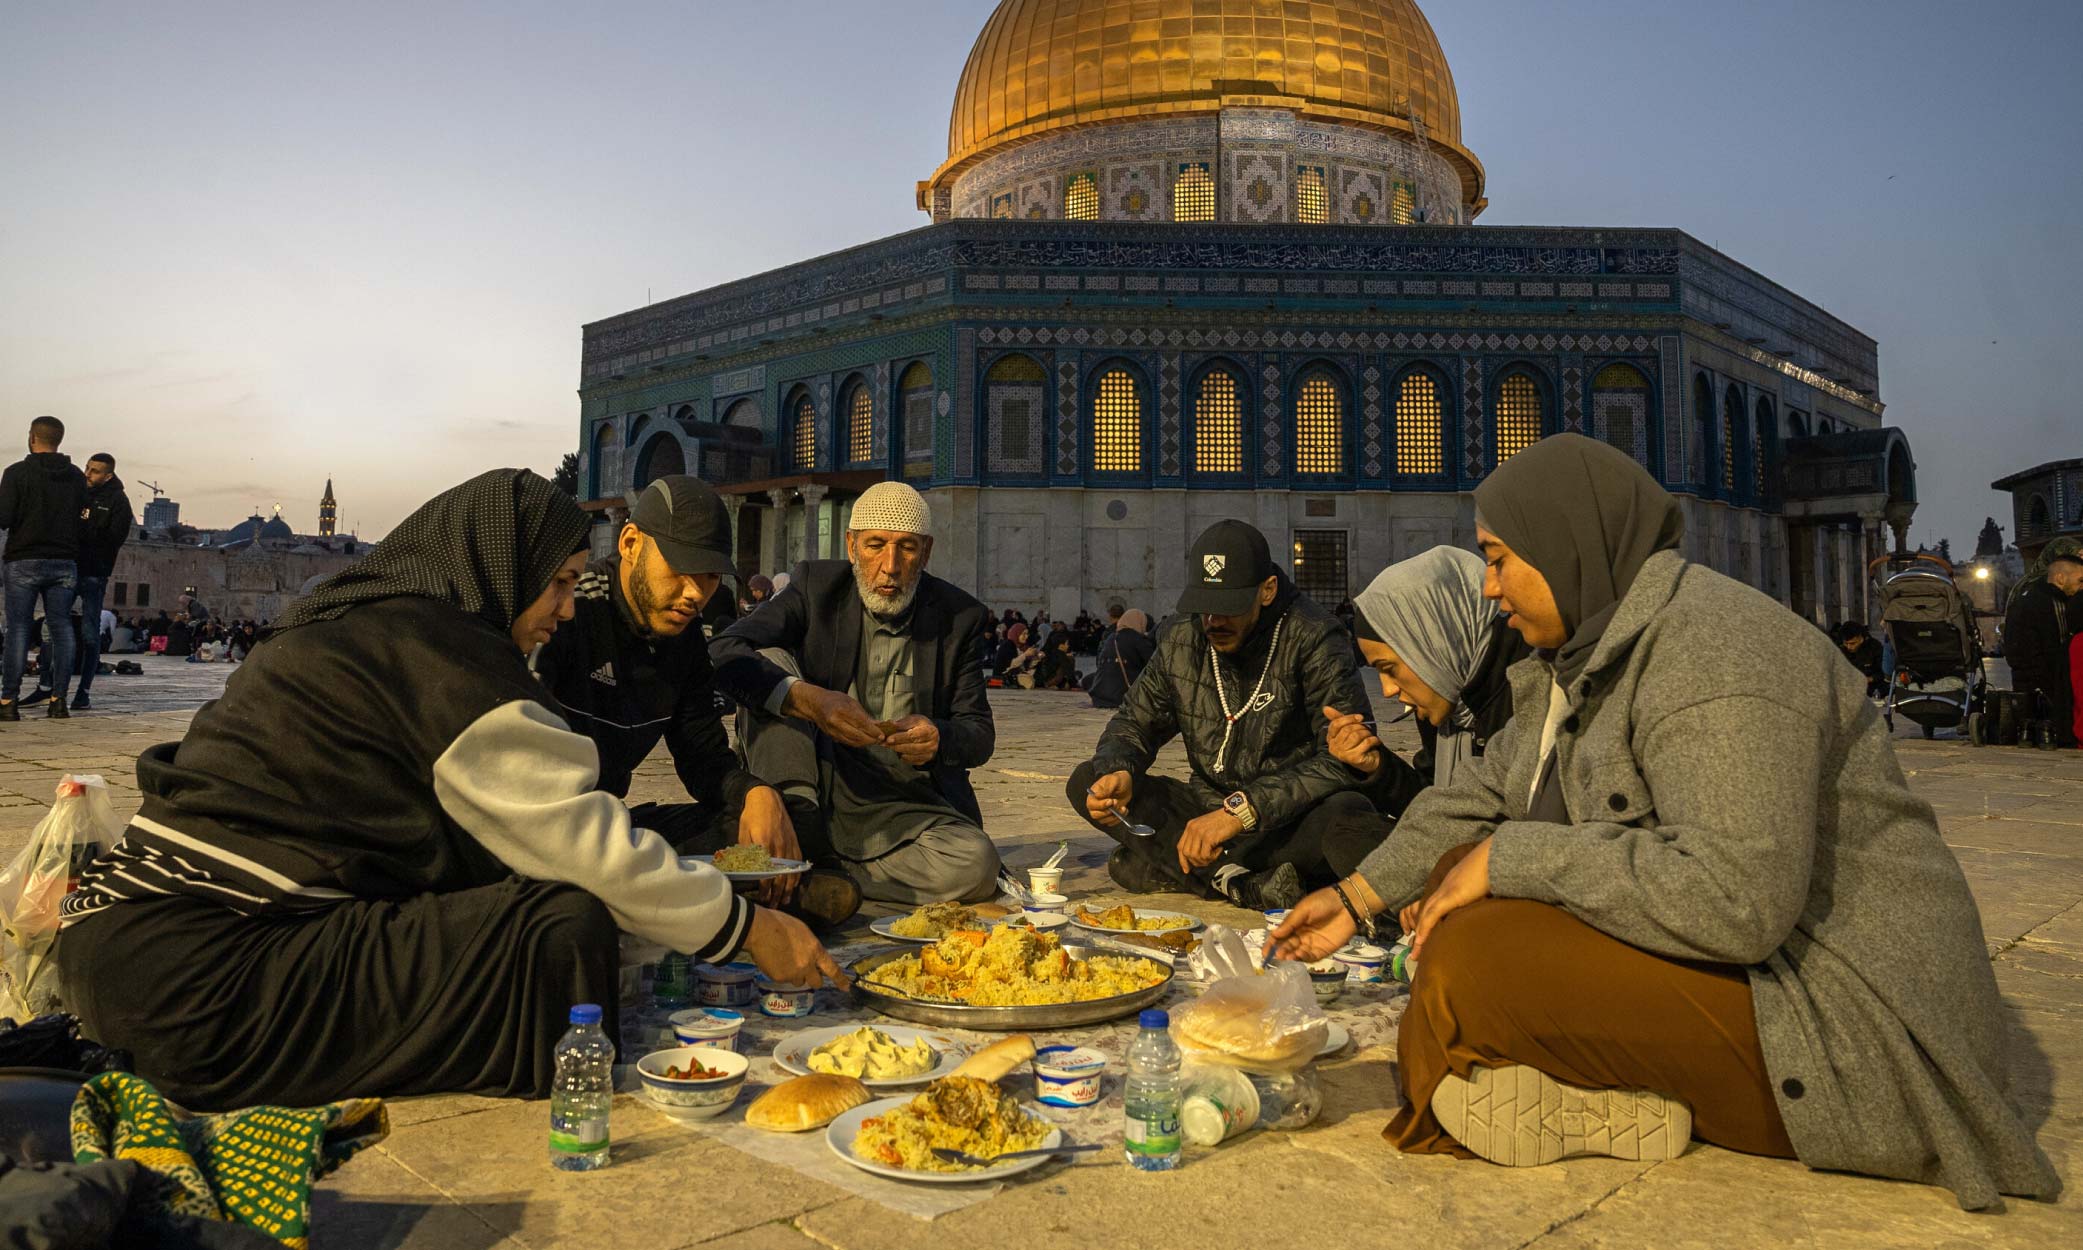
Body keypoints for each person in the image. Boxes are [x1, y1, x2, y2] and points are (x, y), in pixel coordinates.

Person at [1268, 434, 2057, 1211]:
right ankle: (1594, 1094)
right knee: (1452, 899)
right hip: (1775, 976)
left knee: (1470, 970)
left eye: (1499, 557)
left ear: (1565, 541)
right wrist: (1355, 899)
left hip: (1856, 1032)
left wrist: (1516, 859)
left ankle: (1577, 1087)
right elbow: (1473, 794)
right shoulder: (1586, 657)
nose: (1488, 589)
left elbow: (1736, 901)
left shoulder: (1716, 654)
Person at [56, 469, 843, 1111]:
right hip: (198, 989)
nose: (566, 610)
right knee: (557, 928)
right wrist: (744, 929)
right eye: (560, 585)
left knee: (542, 896)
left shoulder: (381, 626)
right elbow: (573, 837)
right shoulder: (438, 653)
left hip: (135, 958)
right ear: (502, 571)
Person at [531, 475, 859, 927]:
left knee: (779, 822)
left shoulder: (683, 640)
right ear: (630, 543)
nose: (694, 594)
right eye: (680, 570)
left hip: (614, 827)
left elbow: (704, 760)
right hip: (548, 830)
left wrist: (755, 793)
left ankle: (734, 892)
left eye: (707, 578)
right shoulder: (568, 611)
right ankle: (741, 900)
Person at [712, 481, 1001, 905]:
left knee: (976, 864)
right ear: (851, 546)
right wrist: (808, 700)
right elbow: (725, 650)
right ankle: (801, 832)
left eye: (907, 548)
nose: (890, 565)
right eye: (875, 545)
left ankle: (818, 870)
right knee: (768, 660)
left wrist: (938, 737)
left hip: (902, 801)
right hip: (815, 781)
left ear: (927, 552)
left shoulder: (960, 617)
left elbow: (978, 733)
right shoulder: (816, 587)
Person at [1068, 520, 1379, 910]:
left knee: (1347, 814)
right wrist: (1119, 770)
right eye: (1204, 607)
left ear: (1266, 591)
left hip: (1282, 818)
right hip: (1202, 811)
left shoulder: (1314, 637)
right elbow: (1134, 722)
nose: (1213, 621)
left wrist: (1242, 811)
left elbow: (1344, 758)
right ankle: (1240, 882)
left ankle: (1195, 872)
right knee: (1088, 782)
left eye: (1228, 608)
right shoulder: (1182, 636)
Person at [1324, 547, 1529, 820]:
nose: (1388, 690)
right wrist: (1377, 767)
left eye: (1390, 669)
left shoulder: (1528, 687)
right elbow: (1431, 802)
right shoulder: (1445, 692)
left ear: (1432, 642)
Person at [0, 415, 89, 720]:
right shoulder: (77, 477)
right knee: (62, 628)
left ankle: (8, 702)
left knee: (19, 629)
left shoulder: (15, 473)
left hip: (23, 558)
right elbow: (83, 517)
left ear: (32, 437)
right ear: (59, 439)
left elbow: (4, 518)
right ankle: (58, 699)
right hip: (64, 561)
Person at [68, 452, 133, 710]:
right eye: (87, 468)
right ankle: (49, 687)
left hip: (95, 572)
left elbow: (113, 538)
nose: (87, 474)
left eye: (94, 471)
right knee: (53, 630)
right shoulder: (78, 493)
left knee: (90, 634)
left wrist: (85, 533)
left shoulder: (118, 501)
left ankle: (83, 691)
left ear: (108, 475)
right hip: (69, 568)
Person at [2002, 538, 2080, 748]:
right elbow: (2057, 648)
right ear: (2060, 577)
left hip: (2023, 683)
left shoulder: (2027, 592)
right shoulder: (2054, 600)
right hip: (2046, 684)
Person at [1085, 608, 1155, 709]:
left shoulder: (1111, 637)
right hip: (1121, 695)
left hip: (1100, 695)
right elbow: (1152, 663)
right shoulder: (1138, 639)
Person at [1834, 620, 1888, 698]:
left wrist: (1869, 679)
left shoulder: (1874, 647)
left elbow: (1884, 673)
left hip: (1871, 687)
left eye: (1853, 643)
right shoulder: (1840, 648)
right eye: (1846, 643)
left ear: (1861, 638)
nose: (1849, 647)